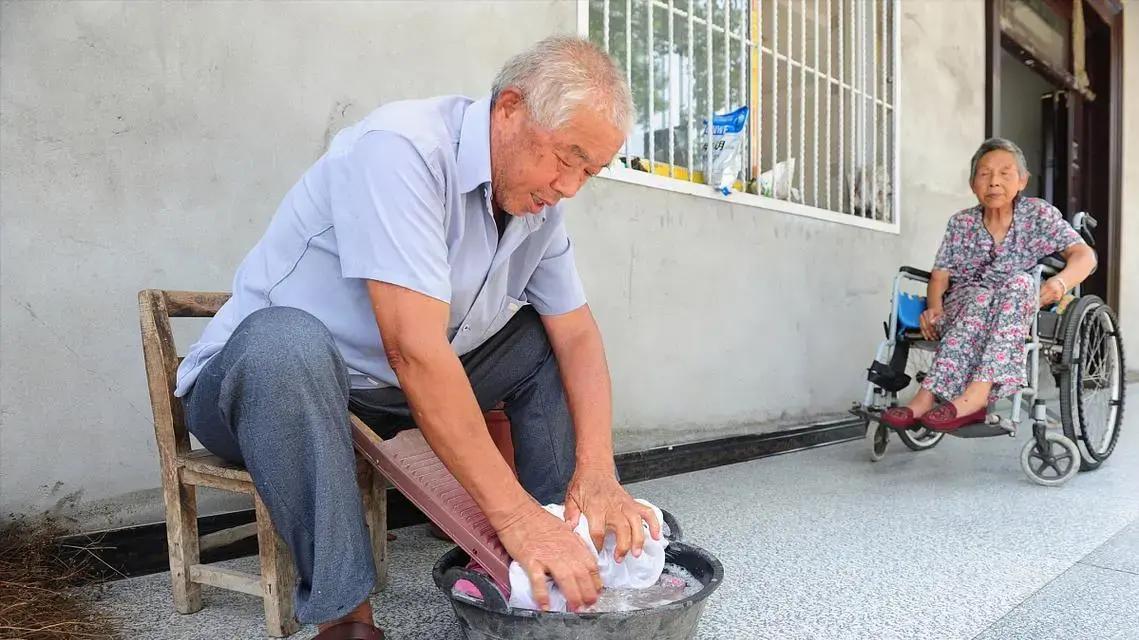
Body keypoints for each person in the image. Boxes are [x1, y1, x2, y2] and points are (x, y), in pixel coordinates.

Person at [174, 36, 661, 639]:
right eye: (568, 158)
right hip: (264, 388)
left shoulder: (538, 206)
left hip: (384, 392)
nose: (570, 187)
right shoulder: (402, 149)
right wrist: (511, 517)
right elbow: (414, 350)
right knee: (287, 342)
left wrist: (598, 472)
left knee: (542, 338)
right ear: (510, 108)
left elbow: (577, 335)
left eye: (590, 172)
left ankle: (563, 545)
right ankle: (345, 617)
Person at [881, 138, 1097, 433]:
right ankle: (941, 398)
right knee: (982, 297)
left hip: (1013, 308)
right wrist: (933, 308)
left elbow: (1085, 256)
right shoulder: (961, 223)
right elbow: (940, 276)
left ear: (1022, 181)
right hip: (964, 306)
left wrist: (1059, 283)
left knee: (1021, 281)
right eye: (984, 174)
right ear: (973, 184)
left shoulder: (1037, 215)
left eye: (1005, 173)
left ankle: (967, 395)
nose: (994, 181)